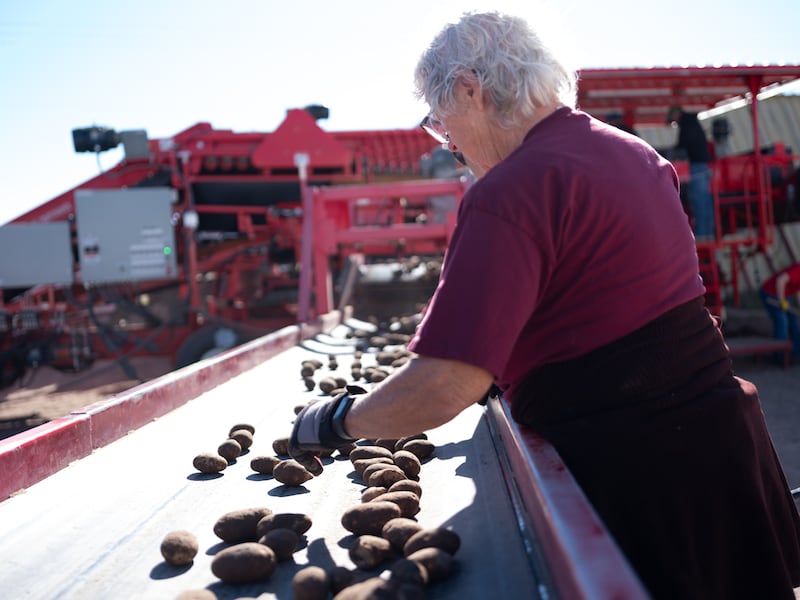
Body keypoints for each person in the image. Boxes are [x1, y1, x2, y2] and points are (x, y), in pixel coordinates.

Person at [289, 11, 800, 599]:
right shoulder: (632, 154)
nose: (448, 141)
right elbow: (601, 302)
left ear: (469, 88)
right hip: (720, 451)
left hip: (637, 482)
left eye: (440, 120)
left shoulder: (510, 192)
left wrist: (335, 421)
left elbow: (443, 386)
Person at [667, 105, 715, 240]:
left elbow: (683, 144)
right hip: (704, 166)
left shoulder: (686, 124)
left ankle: (700, 236)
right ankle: (709, 234)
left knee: (699, 202)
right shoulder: (693, 122)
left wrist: (673, 150)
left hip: (696, 167)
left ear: (676, 113)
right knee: (706, 202)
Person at [760, 262, 800, 358]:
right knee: (782, 321)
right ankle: (780, 356)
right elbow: (780, 280)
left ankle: (797, 353)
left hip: (782, 295)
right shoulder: (798, 269)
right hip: (769, 293)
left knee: (794, 322)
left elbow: (798, 290)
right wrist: (781, 301)